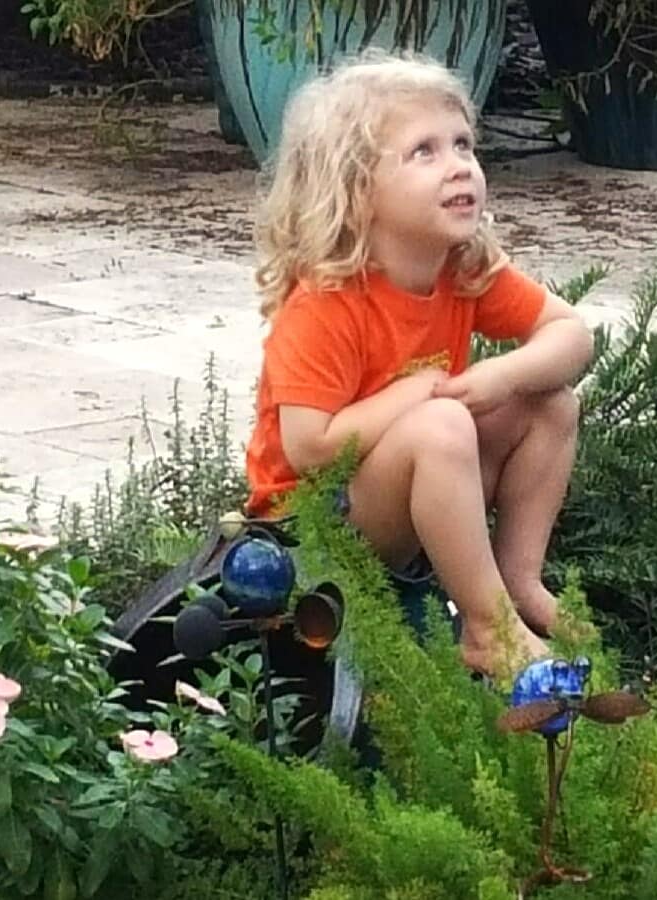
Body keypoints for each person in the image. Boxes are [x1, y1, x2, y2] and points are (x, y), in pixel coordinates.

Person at [244, 50, 594, 680]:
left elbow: (571, 335)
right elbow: (310, 448)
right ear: (355, 189)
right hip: (317, 529)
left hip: (406, 491)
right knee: (441, 425)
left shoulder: (462, 271)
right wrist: (419, 393)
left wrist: (503, 375)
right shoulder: (326, 302)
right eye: (424, 152)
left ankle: (517, 583)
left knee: (551, 402)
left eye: (463, 144)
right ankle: (487, 632)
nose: (458, 165)